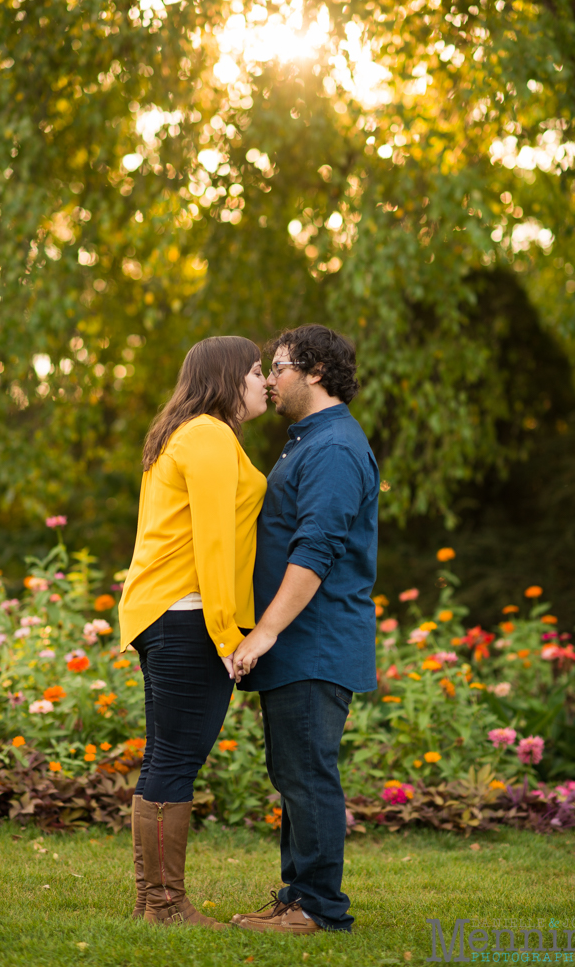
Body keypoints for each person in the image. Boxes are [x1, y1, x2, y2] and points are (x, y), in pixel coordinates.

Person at [231, 324, 380, 935]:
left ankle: (319, 908)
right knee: (292, 770)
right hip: (298, 643)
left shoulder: (335, 448)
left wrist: (264, 632)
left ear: (316, 371)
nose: (270, 378)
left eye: (281, 366)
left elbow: (316, 549)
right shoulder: (308, 441)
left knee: (307, 771)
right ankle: (298, 897)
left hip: (313, 641)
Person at [118, 336, 267, 930]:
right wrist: (227, 634)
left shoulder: (183, 433)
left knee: (165, 757)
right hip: (187, 615)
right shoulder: (206, 435)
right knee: (175, 760)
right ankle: (165, 904)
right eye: (256, 372)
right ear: (228, 378)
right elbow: (212, 540)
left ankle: (150, 900)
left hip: (166, 613)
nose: (264, 383)